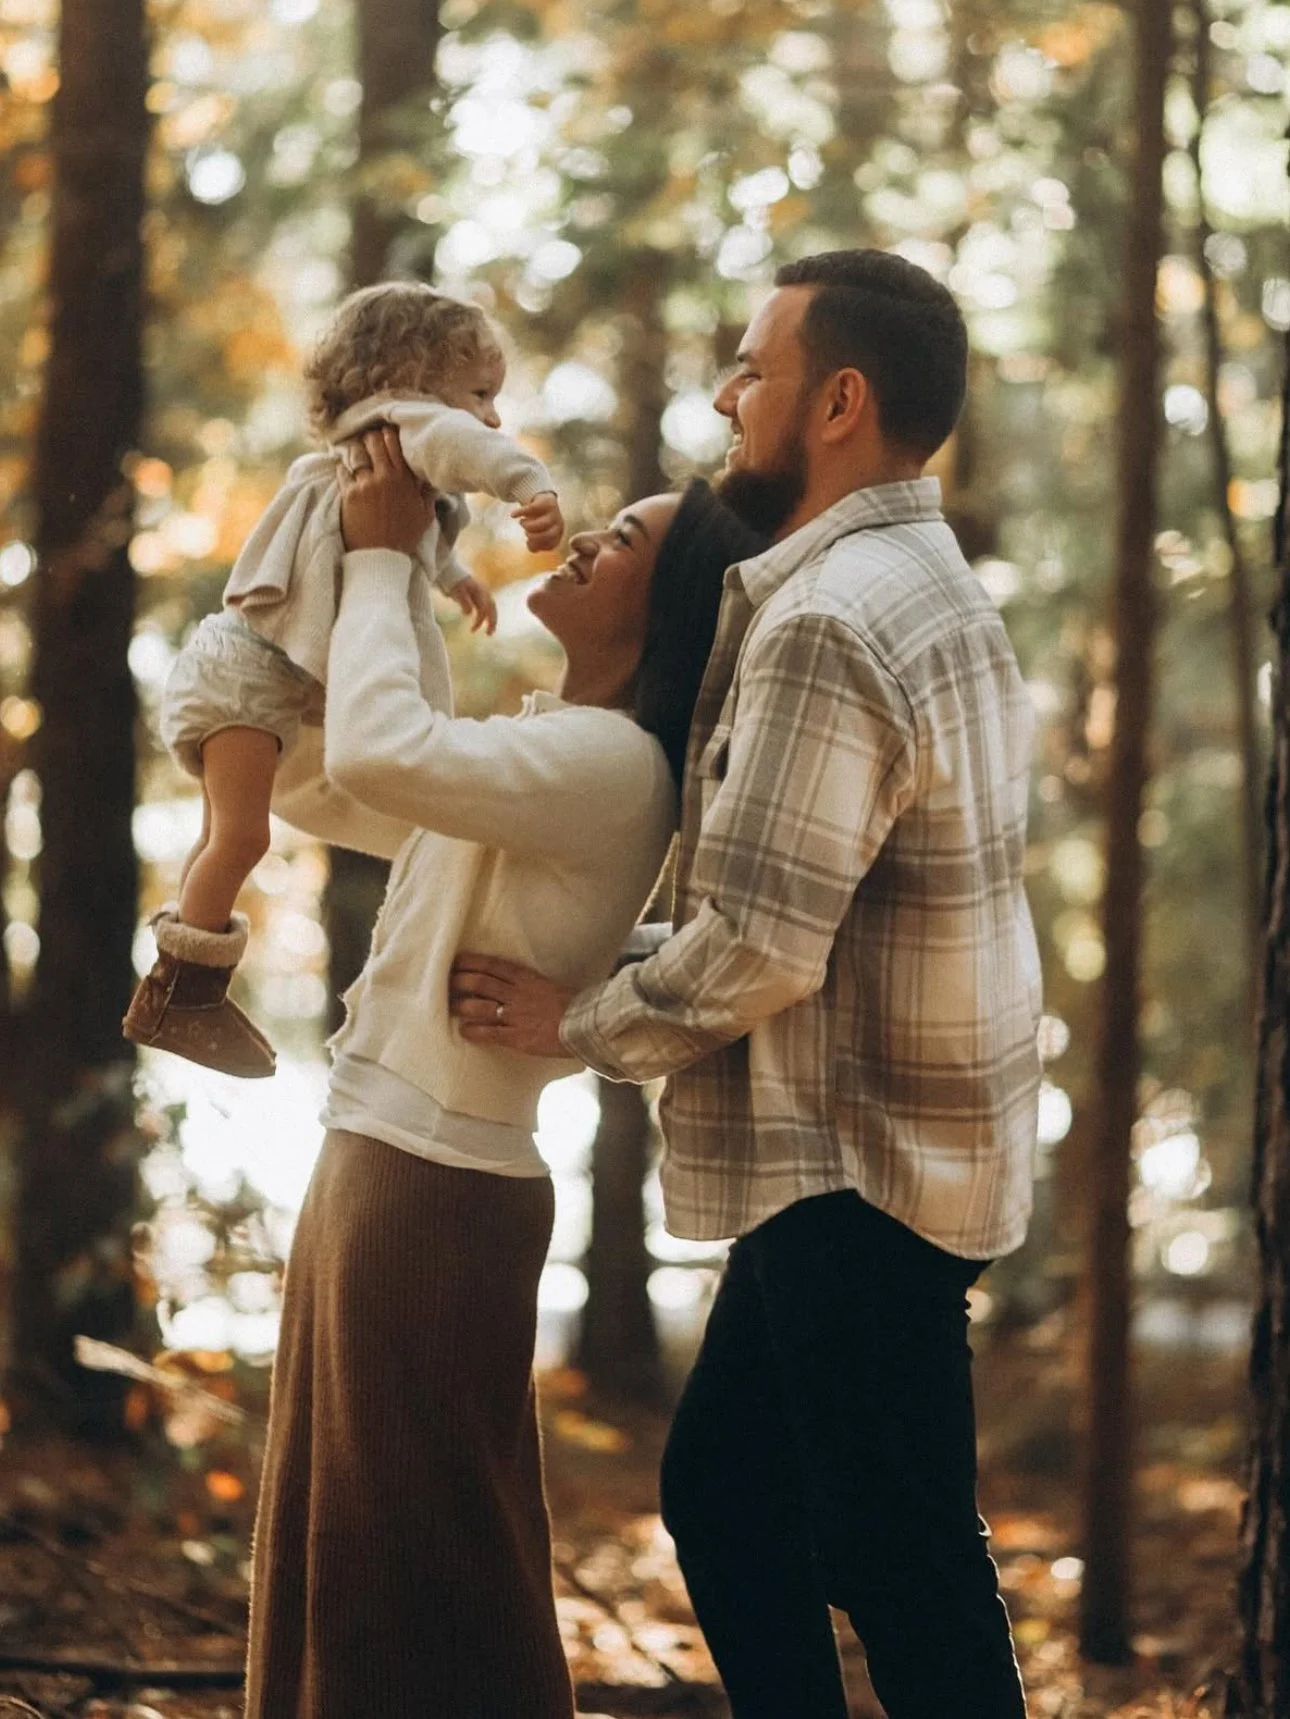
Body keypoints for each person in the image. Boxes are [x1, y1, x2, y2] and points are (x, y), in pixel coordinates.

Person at [449, 248, 1043, 1719]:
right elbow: (806, 921)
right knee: (733, 1500)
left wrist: (573, 1019)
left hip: (860, 1161)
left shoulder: (829, 618)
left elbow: (763, 942)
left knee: (890, 1552)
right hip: (885, 1141)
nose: (725, 395)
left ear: (838, 400)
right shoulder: (922, 582)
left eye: (753, 371)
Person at [243, 433, 768, 1719]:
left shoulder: (609, 769)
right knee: (343, 1545)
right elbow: (328, 779)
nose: (588, 542)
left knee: (425, 1561)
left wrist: (377, 564)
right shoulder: (553, 752)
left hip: (434, 1190)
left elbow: (380, 756)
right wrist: (354, 560)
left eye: (627, 542)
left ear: (670, 606)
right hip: (383, 1163)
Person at [124, 283, 563, 1078]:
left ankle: (176, 988)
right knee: (242, 837)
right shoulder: (409, 426)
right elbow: (471, 451)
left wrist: (453, 574)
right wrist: (531, 486)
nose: (490, 417)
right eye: (479, 395)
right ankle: (185, 998)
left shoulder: (358, 453)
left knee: (219, 838)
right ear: (412, 384)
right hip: (249, 677)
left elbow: (392, 528)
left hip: (239, 672)